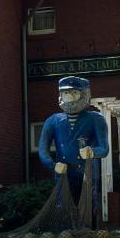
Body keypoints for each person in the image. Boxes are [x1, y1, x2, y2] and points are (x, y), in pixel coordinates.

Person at [38, 76, 109, 216]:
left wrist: (92, 151)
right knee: (63, 209)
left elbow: (104, 148)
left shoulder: (95, 118)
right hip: (63, 172)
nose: (69, 96)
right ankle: (66, 234)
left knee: (88, 209)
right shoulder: (53, 120)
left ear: (84, 94)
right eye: (65, 92)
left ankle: (88, 234)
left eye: (74, 92)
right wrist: (52, 165)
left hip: (87, 172)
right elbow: (42, 150)